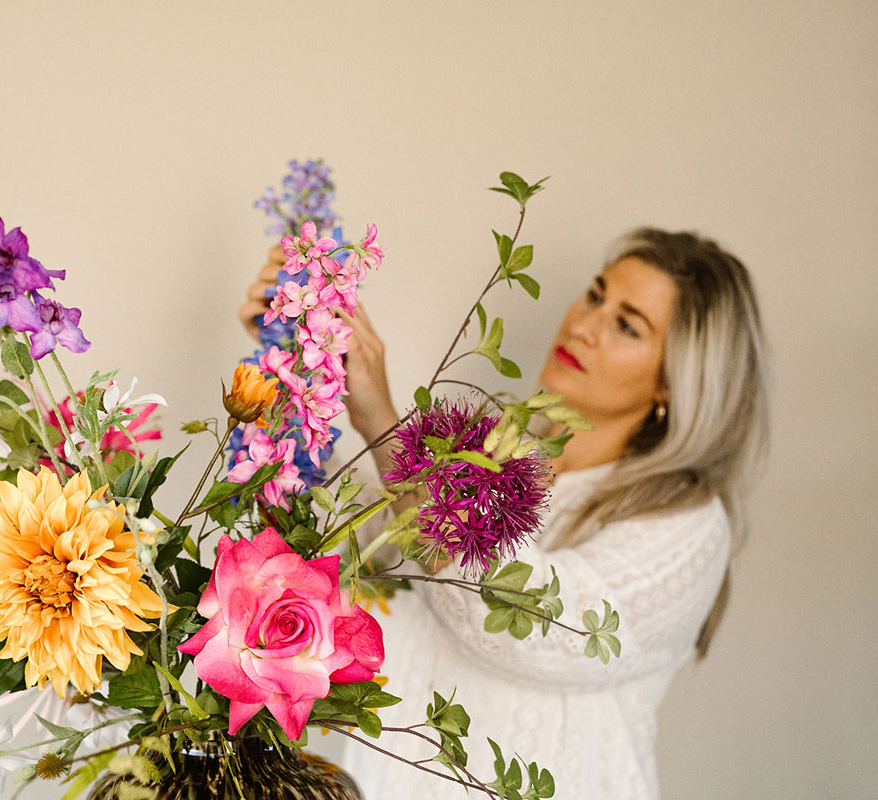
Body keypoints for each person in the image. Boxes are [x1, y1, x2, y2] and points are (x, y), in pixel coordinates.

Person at [237, 228, 769, 800]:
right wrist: (291, 373)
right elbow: (353, 538)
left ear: (674, 380)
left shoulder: (686, 525)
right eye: (596, 294)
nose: (584, 325)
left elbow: (516, 620)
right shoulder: (481, 461)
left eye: (626, 324)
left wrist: (383, 423)